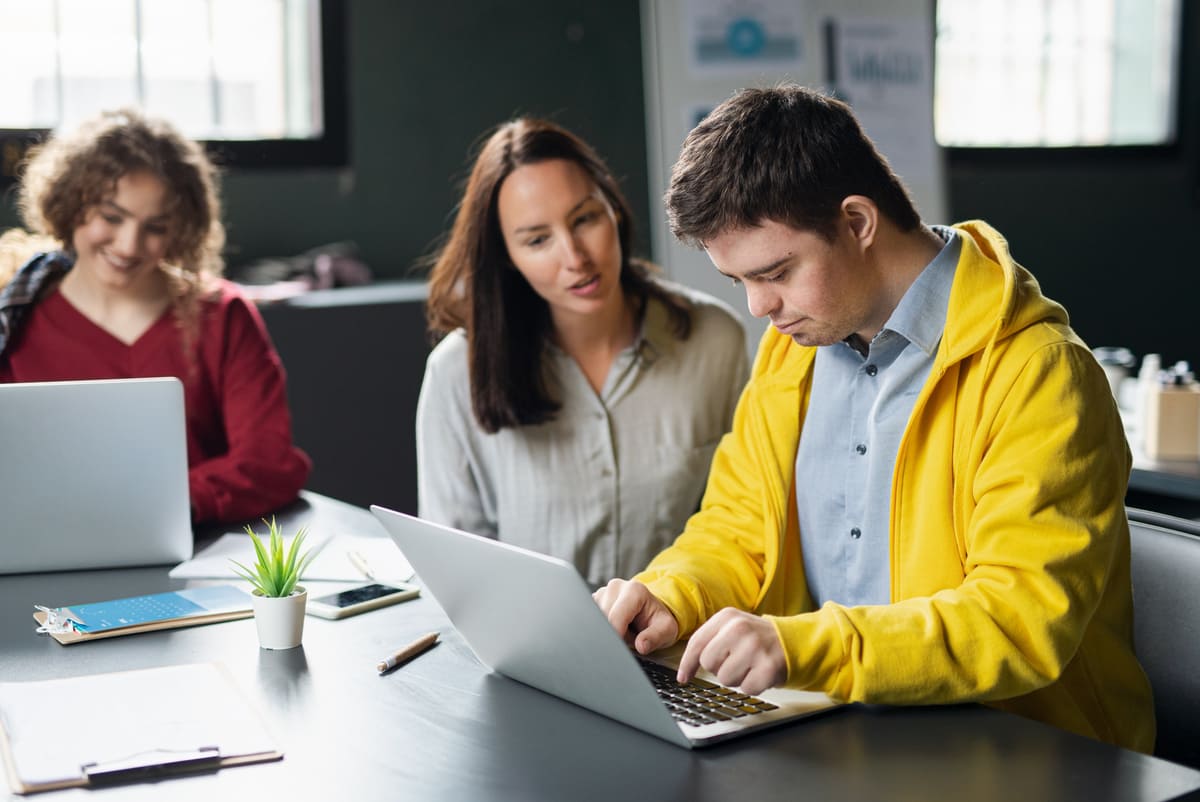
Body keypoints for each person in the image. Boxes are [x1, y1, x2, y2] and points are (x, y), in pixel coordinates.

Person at [594, 84, 1155, 753]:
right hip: (846, 734)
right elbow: (739, 528)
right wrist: (673, 592)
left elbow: (1019, 619)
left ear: (858, 222)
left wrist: (806, 646)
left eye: (775, 271)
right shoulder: (793, 349)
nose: (757, 307)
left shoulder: (1040, 373)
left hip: (1026, 755)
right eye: (737, 281)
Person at [418, 118, 749, 587]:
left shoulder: (714, 338)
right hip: (530, 651)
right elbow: (452, 566)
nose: (575, 257)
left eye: (584, 219)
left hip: (683, 644)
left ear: (613, 208)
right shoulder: (457, 371)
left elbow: (742, 523)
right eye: (537, 240)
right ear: (506, 256)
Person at [0, 109, 311, 524]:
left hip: (198, 547)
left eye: (156, 227)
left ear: (181, 229)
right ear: (71, 203)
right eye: (111, 217)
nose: (129, 245)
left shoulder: (222, 315)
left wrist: (160, 506)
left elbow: (268, 462)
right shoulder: (14, 319)